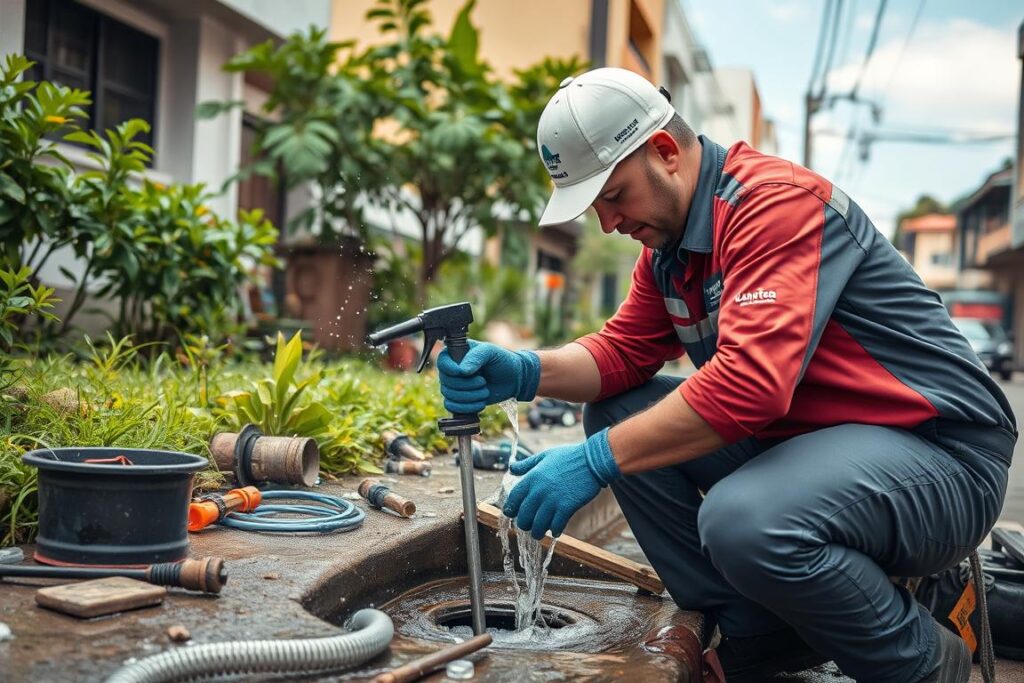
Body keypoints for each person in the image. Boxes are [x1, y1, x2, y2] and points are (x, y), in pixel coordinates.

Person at [437, 67, 1015, 683]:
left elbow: (750, 385)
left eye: (613, 195)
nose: (608, 223)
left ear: (664, 152)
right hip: (822, 450)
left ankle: (923, 661)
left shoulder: (774, 206)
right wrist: (525, 371)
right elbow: (620, 356)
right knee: (618, 412)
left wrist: (593, 462)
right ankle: (763, 632)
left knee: (743, 520)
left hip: (942, 458)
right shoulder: (671, 250)